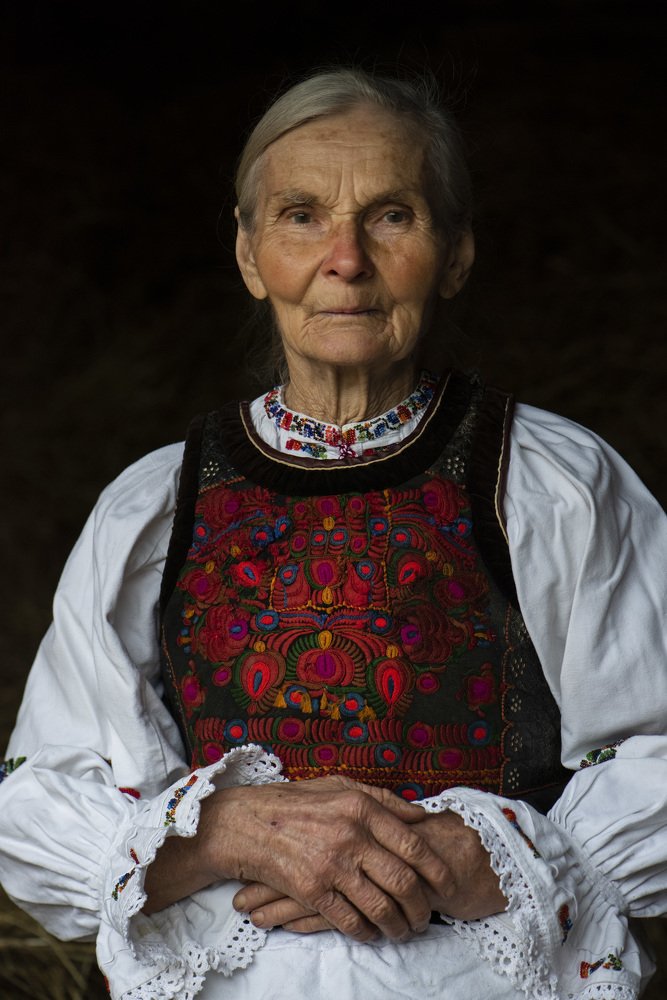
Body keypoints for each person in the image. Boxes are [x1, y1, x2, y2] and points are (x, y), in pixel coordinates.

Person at [0, 67, 665, 1000]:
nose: (344, 257)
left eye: (391, 215)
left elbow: (657, 743)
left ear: (457, 252)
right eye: (301, 215)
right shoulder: (154, 506)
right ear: (247, 253)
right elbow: (38, 796)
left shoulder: (553, 484)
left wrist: (487, 856)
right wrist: (221, 832)